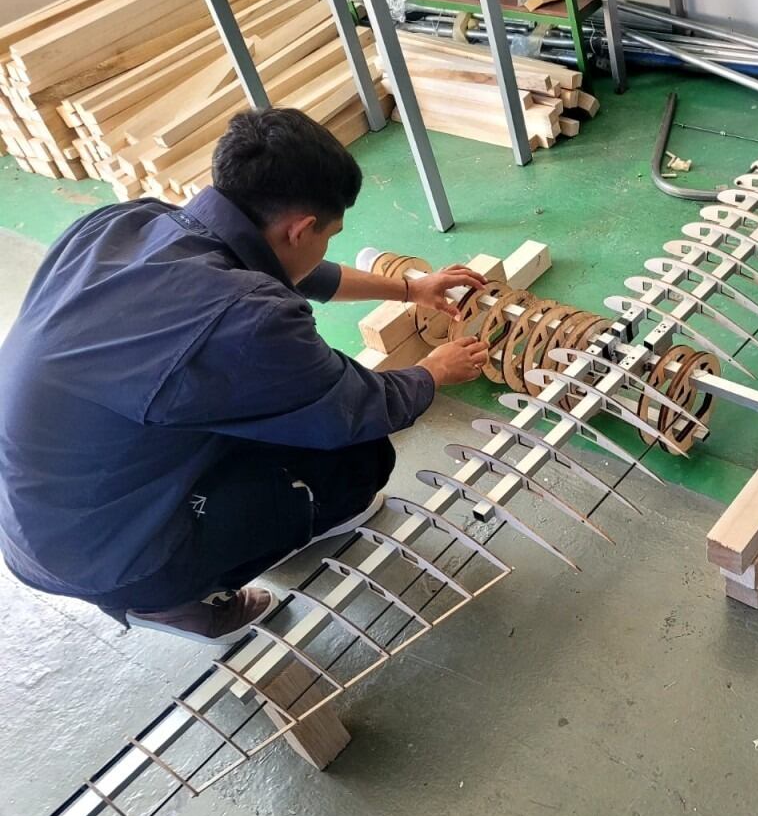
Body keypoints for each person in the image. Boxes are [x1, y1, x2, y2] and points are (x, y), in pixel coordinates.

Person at [0, 108, 491, 644]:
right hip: (109, 558)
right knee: (356, 457)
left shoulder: (128, 224)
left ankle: (241, 531)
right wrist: (432, 372)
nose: (325, 245)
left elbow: (284, 268)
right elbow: (356, 405)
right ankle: (170, 604)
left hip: (39, 515)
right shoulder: (246, 318)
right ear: (300, 228)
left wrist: (409, 288)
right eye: (328, 233)